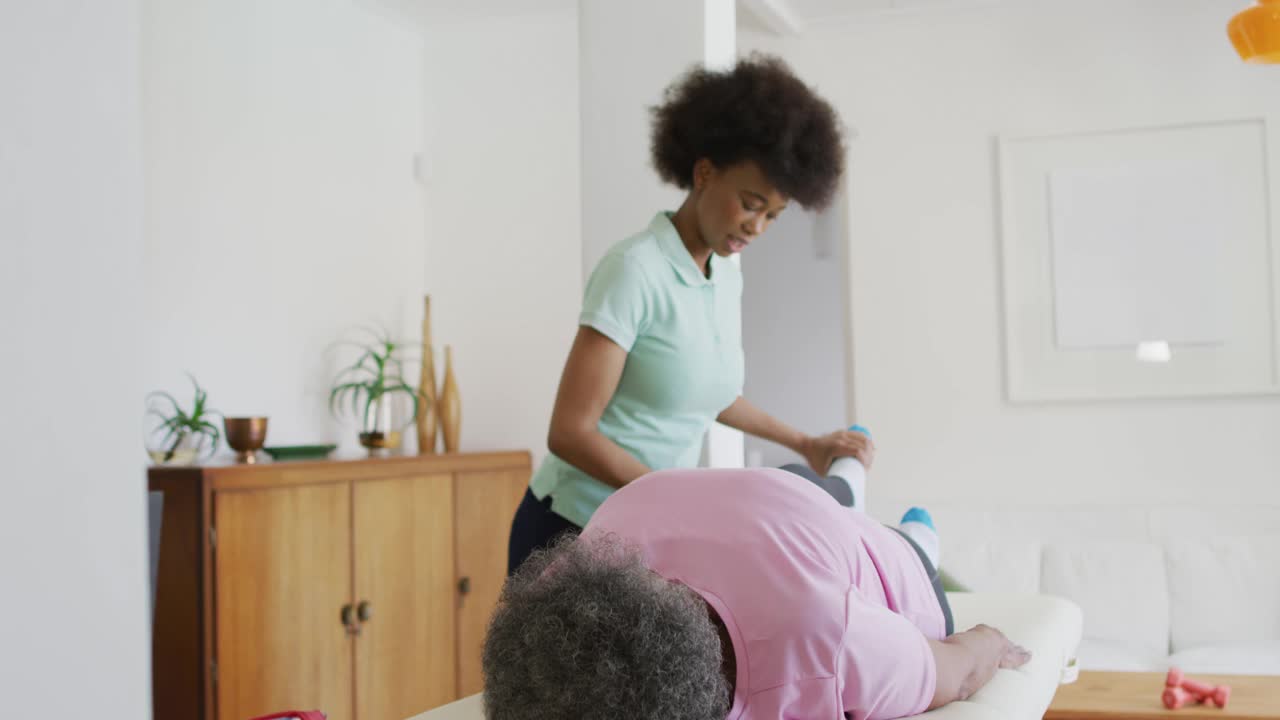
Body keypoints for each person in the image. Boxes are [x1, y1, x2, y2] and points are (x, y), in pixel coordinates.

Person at [508, 53, 873, 575]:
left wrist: (804, 443)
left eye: (772, 214)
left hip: (644, 528)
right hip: (570, 529)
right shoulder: (635, 270)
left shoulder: (725, 269)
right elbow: (570, 431)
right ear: (704, 173)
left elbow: (709, 389)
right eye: (750, 203)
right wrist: (680, 499)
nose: (757, 228)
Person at [483, 467, 1031, 720]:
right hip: (747, 498)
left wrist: (992, 642)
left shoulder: (826, 640)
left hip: (877, 558)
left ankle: (916, 533)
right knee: (811, 487)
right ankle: (843, 479)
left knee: (903, 543)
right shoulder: (572, 578)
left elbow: (955, 669)